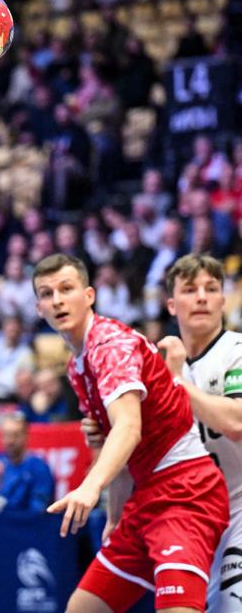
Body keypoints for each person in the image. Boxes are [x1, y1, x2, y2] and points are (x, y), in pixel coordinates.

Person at [34, 253, 228, 613]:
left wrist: (90, 487)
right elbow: (117, 451)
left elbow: (128, 428)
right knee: (82, 608)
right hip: (144, 501)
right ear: (38, 307)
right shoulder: (76, 367)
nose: (57, 300)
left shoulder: (110, 345)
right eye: (47, 294)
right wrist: (115, 517)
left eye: (66, 289)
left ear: (89, 295)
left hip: (186, 494)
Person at [87, 254, 242, 609]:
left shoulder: (237, 352)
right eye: (190, 290)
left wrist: (175, 383)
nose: (201, 297)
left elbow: (235, 422)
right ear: (171, 305)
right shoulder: (152, 364)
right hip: (191, 520)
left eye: (211, 289)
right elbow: (134, 447)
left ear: (223, 300)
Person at [0, 413, 55, 512]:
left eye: (15, 435)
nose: (10, 441)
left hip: (27, 524)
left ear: (26, 436)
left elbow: (38, 509)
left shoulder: (39, 467)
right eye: (6, 435)